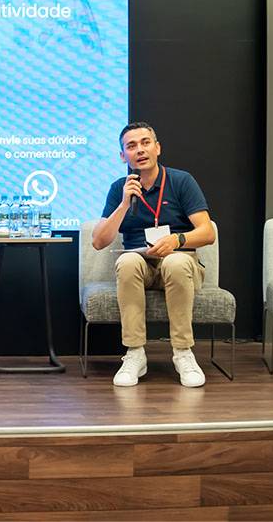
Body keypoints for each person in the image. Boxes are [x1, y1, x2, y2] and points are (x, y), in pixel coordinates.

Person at [92, 121, 215, 387]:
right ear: (123, 156)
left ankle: (183, 353)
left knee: (176, 262)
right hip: (141, 265)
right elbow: (99, 241)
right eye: (131, 146)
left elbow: (207, 233)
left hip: (180, 261)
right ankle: (135, 354)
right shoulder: (119, 188)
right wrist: (124, 203)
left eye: (145, 143)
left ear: (157, 148)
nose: (140, 150)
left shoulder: (181, 181)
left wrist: (177, 240)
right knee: (126, 261)